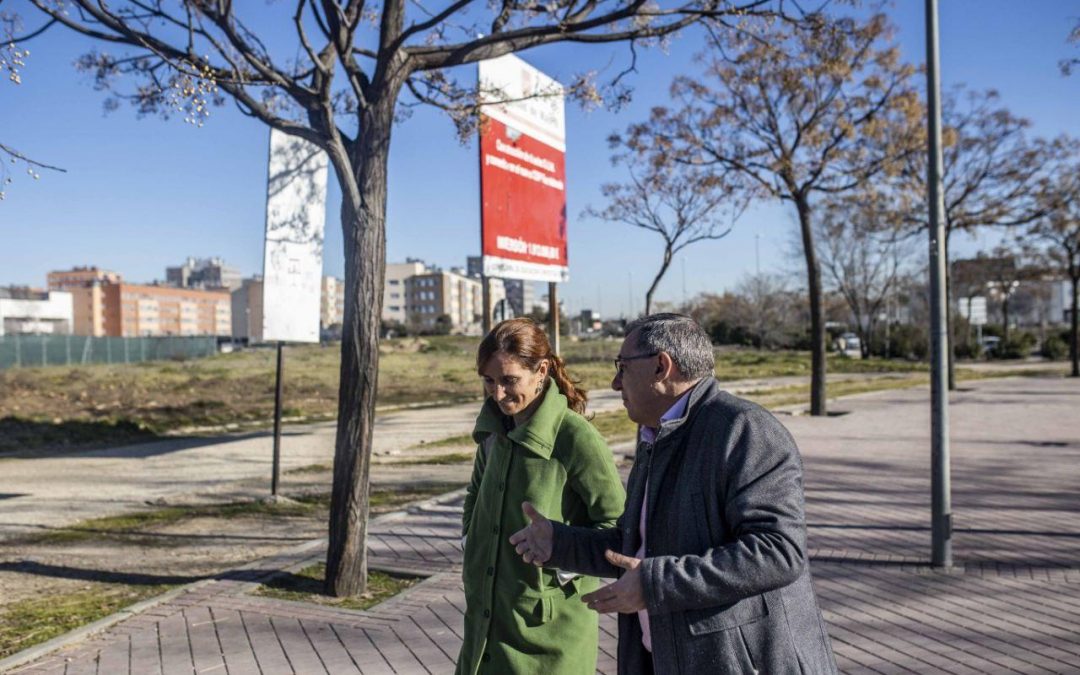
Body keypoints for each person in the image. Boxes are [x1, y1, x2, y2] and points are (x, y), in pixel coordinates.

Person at [510, 313, 838, 674]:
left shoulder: (744, 430)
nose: (616, 383)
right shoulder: (655, 435)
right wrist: (560, 544)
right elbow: (636, 546)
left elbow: (778, 552)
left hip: (742, 661)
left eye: (622, 367)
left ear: (660, 367)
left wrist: (654, 584)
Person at [456, 318, 626, 674]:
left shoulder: (575, 437)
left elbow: (618, 527)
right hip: (484, 628)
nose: (498, 393)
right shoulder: (491, 431)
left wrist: (560, 549)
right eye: (489, 381)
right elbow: (475, 492)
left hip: (549, 638)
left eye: (509, 380)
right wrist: (472, 536)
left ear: (541, 371)